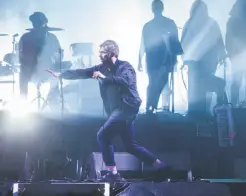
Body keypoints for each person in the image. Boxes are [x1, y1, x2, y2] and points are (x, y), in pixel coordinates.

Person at [47, 40, 168, 181]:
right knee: (130, 146)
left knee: (103, 135)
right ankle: (160, 165)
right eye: (99, 52)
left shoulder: (125, 67)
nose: (100, 55)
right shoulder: (101, 68)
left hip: (126, 107)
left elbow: (124, 82)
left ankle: (113, 173)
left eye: (103, 52)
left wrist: (103, 77)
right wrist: (61, 74)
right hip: (117, 110)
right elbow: (82, 72)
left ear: (112, 53)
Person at [181, 0, 228, 117]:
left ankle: (198, 112)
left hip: (202, 61)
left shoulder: (191, 23)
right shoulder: (211, 23)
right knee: (199, 86)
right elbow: (219, 42)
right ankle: (202, 112)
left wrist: (185, 57)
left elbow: (183, 42)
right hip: (202, 61)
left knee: (196, 87)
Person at [138, 0, 183, 114]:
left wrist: (139, 60)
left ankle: (151, 105)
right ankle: (152, 105)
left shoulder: (148, 26)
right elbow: (175, 42)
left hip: (156, 59)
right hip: (163, 58)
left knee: (155, 81)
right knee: (159, 81)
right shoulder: (168, 23)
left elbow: (143, 44)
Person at [18, 12, 61, 101]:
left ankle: (54, 101)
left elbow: (59, 53)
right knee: (22, 74)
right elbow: (21, 56)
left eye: (38, 22)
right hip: (30, 70)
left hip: (47, 69)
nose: (36, 24)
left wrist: (56, 60)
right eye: (34, 22)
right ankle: (23, 101)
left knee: (56, 75)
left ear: (45, 22)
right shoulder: (25, 37)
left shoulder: (51, 37)